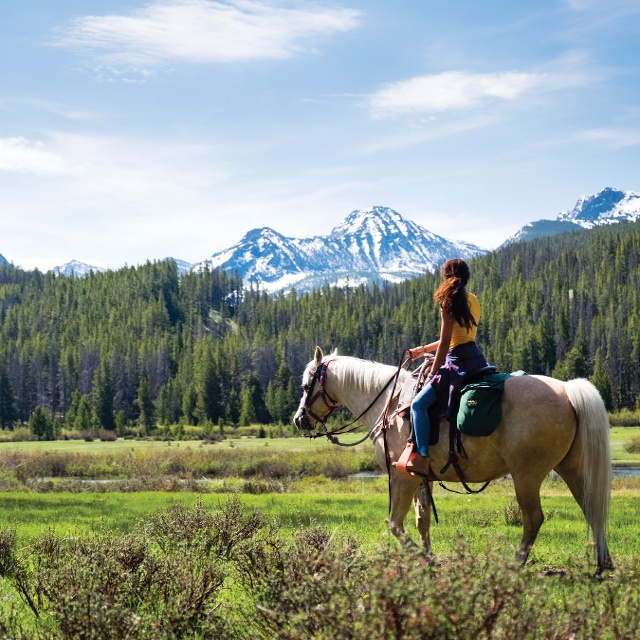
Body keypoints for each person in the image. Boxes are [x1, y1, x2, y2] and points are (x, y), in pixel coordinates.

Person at [407, 258, 490, 469]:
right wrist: (423, 350)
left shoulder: (447, 302)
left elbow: (446, 343)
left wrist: (434, 372)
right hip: (475, 358)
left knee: (418, 404)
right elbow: (457, 337)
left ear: (446, 277)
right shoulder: (473, 299)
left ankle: (422, 455)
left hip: (456, 362)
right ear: (467, 277)